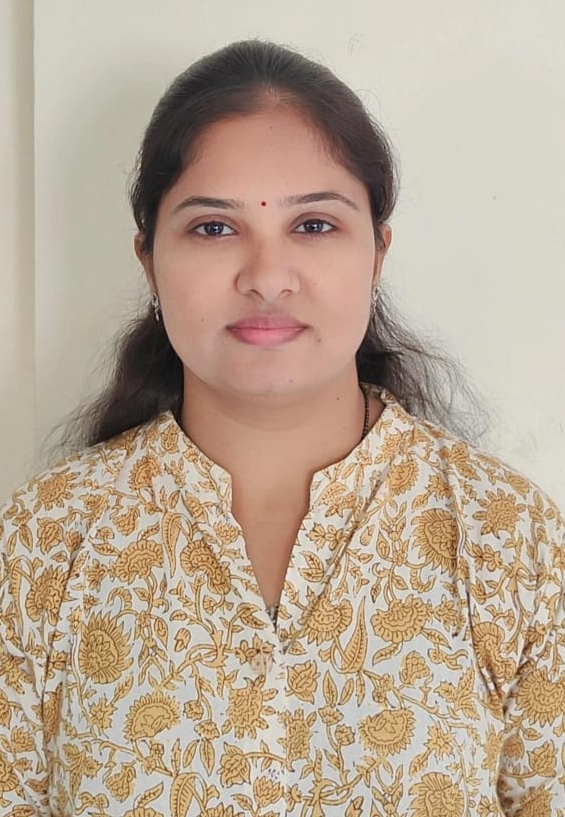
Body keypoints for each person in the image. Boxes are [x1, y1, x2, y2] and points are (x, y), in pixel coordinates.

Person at [0, 39, 563, 817]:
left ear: (377, 253)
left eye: (314, 224)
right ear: (148, 259)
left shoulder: (511, 543)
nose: (266, 276)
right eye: (213, 228)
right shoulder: (42, 545)